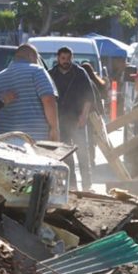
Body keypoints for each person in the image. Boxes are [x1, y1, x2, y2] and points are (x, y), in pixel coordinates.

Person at [0, 44, 60, 142]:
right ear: (31, 56)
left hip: (3, 138)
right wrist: (54, 128)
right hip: (33, 139)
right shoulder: (37, 71)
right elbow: (48, 100)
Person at [49, 47, 95, 189]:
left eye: (68, 58)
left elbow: (89, 97)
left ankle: (87, 186)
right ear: (58, 58)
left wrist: (84, 115)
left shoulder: (80, 73)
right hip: (59, 121)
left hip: (77, 120)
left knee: (82, 155)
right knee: (66, 157)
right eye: (63, 58)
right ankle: (72, 188)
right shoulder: (51, 74)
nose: (66, 62)